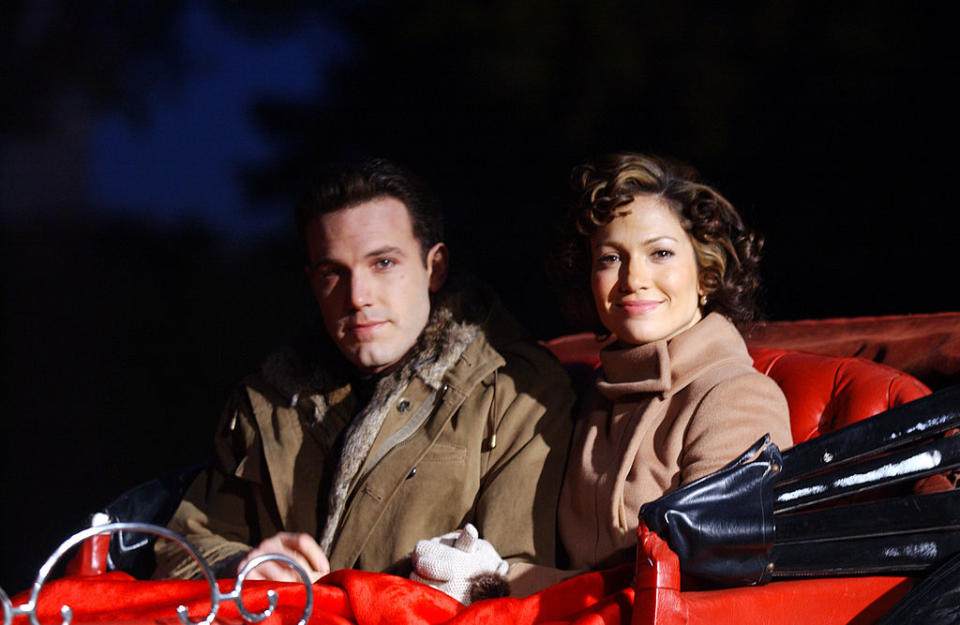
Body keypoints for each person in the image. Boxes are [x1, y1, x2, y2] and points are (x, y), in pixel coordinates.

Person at [154, 158, 575, 583]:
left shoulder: (518, 392)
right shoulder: (268, 401)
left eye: (383, 263)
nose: (357, 296)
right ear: (311, 281)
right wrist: (244, 566)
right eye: (333, 272)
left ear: (436, 267)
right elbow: (182, 546)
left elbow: (519, 587)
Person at [410, 152, 793, 597]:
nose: (633, 278)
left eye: (661, 253)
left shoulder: (736, 397)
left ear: (707, 274)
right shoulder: (589, 394)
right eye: (611, 258)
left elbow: (709, 589)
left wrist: (497, 581)